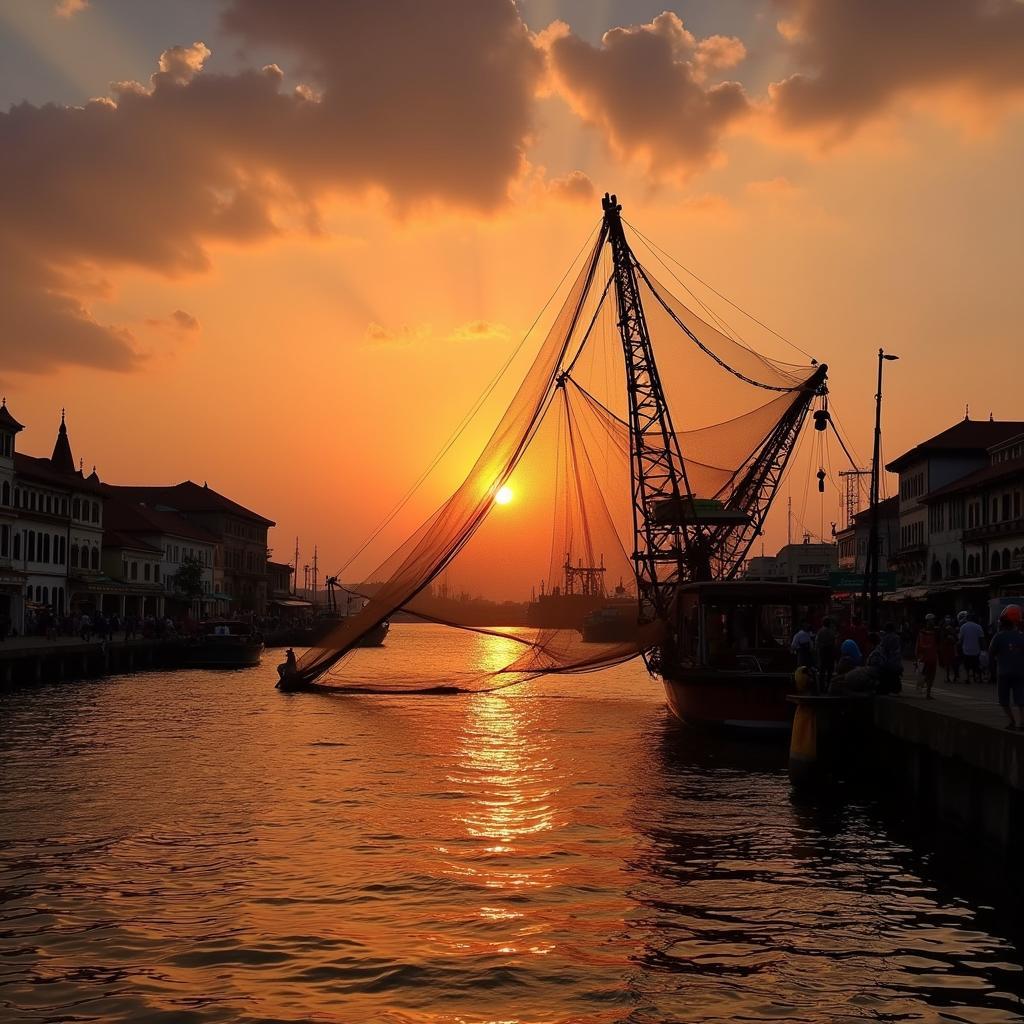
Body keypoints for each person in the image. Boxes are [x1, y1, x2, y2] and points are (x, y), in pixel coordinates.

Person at [988, 604, 1024, 730]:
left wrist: (991, 670)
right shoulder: (1021, 636)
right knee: (1021, 699)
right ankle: (1022, 723)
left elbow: (991, 654)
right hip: (1020, 672)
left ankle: (1012, 722)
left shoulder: (998, 636)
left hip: (1003, 673)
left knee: (1004, 700)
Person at [915, 613, 939, 699]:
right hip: (926, 657)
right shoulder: (926, 632)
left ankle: (927, 692)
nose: (931, 622)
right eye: (930, 621)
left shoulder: (935, 632)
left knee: (928, 675)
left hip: (929, 657)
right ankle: (927, 692)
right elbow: (918, 645)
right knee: (927, 675)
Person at [959, 613, 985, 684]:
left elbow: (961, 639)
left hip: (966, 649)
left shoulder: (963, 627)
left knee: (967, 665)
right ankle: (979, 678)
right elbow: (981, 639)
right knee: (977, 664)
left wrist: (959, 647)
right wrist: (983, 649)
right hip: (976, 649)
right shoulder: (978, 627)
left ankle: (968, 678)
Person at [816, 616, 837, 688]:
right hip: (830, 653)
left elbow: (817, 643)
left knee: (822, 671)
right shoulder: (832, 632)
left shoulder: (820, 632)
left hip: (822, 654)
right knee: (829, 672)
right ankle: (829, 686)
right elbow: (834, 644)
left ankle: (821, 687)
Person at [939, 616, 958, 684]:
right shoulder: (951, 629)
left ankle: (949, 677)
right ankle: (952, 677)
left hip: (948, 647)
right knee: (952, 663)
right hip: (949, 647)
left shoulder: (946, 629)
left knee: (949, 663)